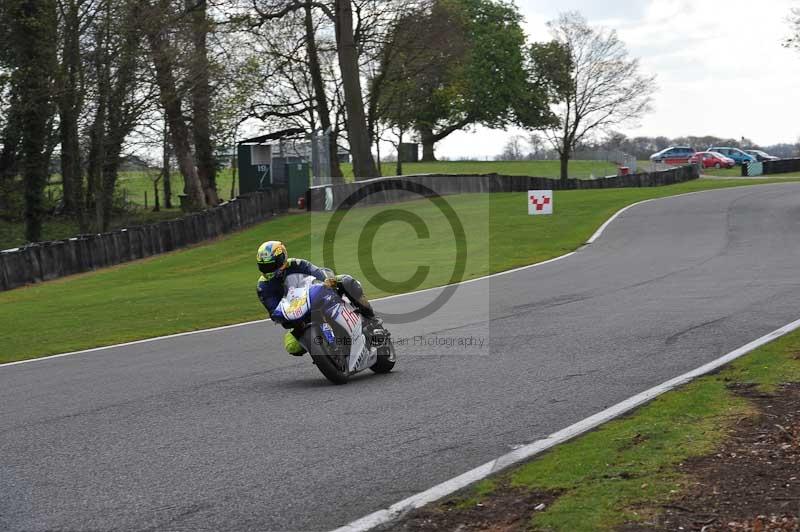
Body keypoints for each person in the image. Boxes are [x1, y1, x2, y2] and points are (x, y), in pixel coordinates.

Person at [255, 240, 376, 356]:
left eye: (272, 265)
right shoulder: (263, 287)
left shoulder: (295, 264)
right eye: (264, 267)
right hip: (297, 316)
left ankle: (371, 318)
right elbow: (273, 310)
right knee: (292, 346)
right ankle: (324, 353)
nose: (269, 270)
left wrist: (326, 280)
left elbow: (314, 270)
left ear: (282, 258)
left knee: (345, 281)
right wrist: (279, 316)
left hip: (315, 295)